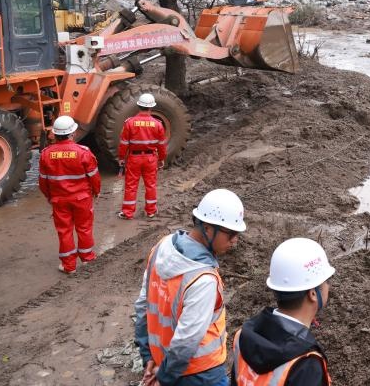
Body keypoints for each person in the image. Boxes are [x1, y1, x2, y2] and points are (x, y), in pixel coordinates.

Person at [134, 188, 246, 386]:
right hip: (202, 373)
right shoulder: (203, 279)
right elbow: (186, 341)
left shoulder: (162, 247)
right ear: (208, 228)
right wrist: (164, 378)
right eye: (231, 233)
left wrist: (148, 357)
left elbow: (143, 306)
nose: (235, 240)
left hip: (164, 362)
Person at [231, 238, 335, 386]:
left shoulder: (243, 335)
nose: (328, 286)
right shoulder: (305, 364)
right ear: (313, 294)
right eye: (326, 281)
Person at [38, 115, 101, 275]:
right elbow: (94, 176)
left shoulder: (46, 154)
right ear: (72, 133)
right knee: (84, 228)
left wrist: (49, 197)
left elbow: (43, 181)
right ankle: (88, 259)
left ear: (55, 134)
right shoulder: (83, 152)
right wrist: (96, 191)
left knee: (64, 231)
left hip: (59, 200)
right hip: (82, 199)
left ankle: (69, 266)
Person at [117, 92, 167, 219]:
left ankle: (128, 213)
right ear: (151, 107)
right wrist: (161, 159)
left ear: (139, 106)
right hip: (151, 159)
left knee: (131, 186)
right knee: (150, 185)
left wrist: (121, 158)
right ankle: (151, 211)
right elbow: (161, 145)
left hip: (134, 158)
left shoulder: (129, 123)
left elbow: (123, 143)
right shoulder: (158, 124)